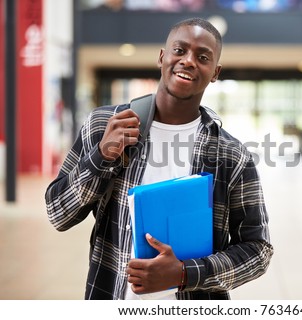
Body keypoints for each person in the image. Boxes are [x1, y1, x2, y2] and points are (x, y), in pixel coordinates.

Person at [45, 17, 273, 300]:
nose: (188, 61)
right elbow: (58, 214)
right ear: (162, 57)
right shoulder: (105, 124)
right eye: (180, 50)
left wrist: (185, 273)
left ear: (215, 72)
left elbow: (257, 250)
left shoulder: (232, 155)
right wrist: (101, 157)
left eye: (202, 57)